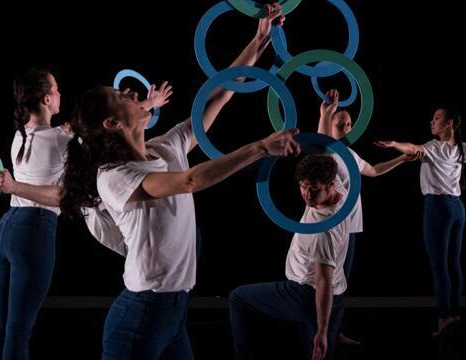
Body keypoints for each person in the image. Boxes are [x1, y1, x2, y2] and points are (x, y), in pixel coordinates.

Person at [60, 5, 297, 359]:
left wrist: (259, 39)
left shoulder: (164, 147)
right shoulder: (113, 177)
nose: (130, 91)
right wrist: (260, 147)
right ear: (111, 124)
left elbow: (220, 94)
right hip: (140, 316)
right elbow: (188, 180)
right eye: (120, 96)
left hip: (173, 311)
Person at [0, 68, 171, 359]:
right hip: (33, 232)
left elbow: (79, 126)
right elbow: (65, 191)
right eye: (57, 89)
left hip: (6, 230)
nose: (61, 94)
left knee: (0, 324)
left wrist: (147, 105)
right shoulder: (59, 141)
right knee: (18, 330)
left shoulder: (21, 135)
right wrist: (14, 186)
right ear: (47, 99)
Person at [375, 108, 466, 337]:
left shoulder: (434, 147)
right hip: (458, 209)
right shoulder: (462, 149)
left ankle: (443, 318)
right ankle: (455, 314)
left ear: (449, 123)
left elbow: (412, 148)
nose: (431, 121)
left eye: (436, 118)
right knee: (454, 264)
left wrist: (394, 145)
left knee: (440, 268)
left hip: (437, 209)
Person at [318, 89, 422, 345]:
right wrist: (325, 111)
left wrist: (401, 159)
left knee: (342, 284)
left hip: (351, 228)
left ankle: (335, 332)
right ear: (331, 125)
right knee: (325, 282)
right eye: (340, 123)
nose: (345, 126)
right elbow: (321, 141)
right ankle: (321, 332)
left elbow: (374, 171)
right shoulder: (326, 152)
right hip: (331, 229)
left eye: (349, 123)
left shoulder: (350, 155)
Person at [229, 154, 348, 360]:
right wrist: (325, 119)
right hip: (335, 295)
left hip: (306, 295)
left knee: (238, 299)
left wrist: (322, 330)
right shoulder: (341, 193)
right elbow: (323, 147)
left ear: (329, 185)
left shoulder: (323, 231)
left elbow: (323, 282)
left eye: (313, 189)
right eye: (303, 186)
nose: (307, 195)